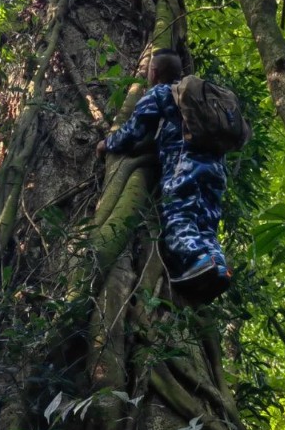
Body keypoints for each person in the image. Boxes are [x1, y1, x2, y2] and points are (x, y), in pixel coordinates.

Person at [96, 49, 230, 290]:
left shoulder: (160, 93)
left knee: (179, 216)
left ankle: (197, 261)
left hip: (184, 165)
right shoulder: (195, 99)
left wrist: (107, 143)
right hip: (216, 169)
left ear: (154, 72)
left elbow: (133, 132)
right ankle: (218, 267)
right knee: (206, 222)